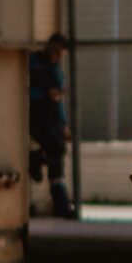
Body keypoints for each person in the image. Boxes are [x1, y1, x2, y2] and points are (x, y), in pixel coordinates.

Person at [27, 33, 77, 220]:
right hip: (37, 116)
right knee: (57, 148)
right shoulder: (33, 62)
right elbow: (23, 88)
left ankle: (61, 203)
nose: (58, 55)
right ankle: (36, 159)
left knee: (58, 160)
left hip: (52, 118)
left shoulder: (55, 68)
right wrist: (44, 94)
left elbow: (58, 100)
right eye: (56, 51)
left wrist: (64, 124)